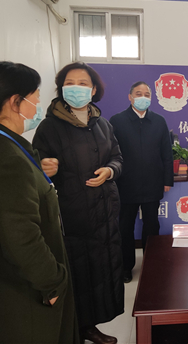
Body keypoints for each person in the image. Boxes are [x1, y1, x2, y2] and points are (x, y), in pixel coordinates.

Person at [0, 61, 79, 343]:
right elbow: (22, 239)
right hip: (19, 303)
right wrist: (54, 283)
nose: (37, 107)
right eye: (35, 98)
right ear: (15, 102)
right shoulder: (6, 160)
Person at [33, 62, 124, 344]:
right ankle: (74, 329)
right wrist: (43, 167)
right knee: (77, 272)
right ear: (61, 88)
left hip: (104, 211)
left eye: (83, 83)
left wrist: (110, 170)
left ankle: (89, 326)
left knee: (100, 270)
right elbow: (33, 166)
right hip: (71, 214)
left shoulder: (103, 124)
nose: (76, 88)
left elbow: (118, 157)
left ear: (93, 90)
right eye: (69, 83)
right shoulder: (49, 126)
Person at [109, 81, 174, 283]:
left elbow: (167, 153)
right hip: (125, 184)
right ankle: (126, 267)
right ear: (130, 97)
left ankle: (151, 263)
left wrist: (167, 180)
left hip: (153, 183)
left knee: (152, 226)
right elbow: (110, 153)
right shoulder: (117, 121)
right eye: (138, 93)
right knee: (125, 227)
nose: (143, 97)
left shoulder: (159, 121)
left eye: (147, 94)